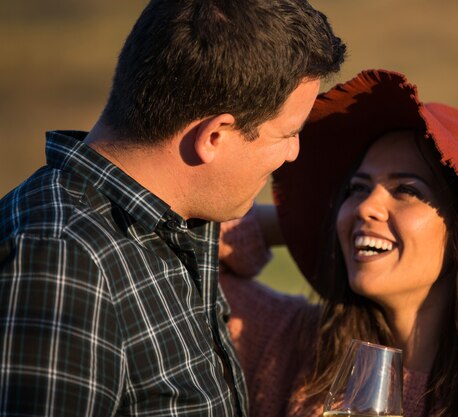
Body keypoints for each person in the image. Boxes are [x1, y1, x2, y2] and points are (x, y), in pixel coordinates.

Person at [0, 0, 345, 415]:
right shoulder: (61, 262)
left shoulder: (173, 221)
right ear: (214, 136)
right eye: (288, 133)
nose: (293, 153)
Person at [218, 69, 458, 417]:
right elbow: (176, 247)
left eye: (406, 190)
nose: (365, 207)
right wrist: (307, 225)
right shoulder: (292, 344)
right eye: (357, 189)